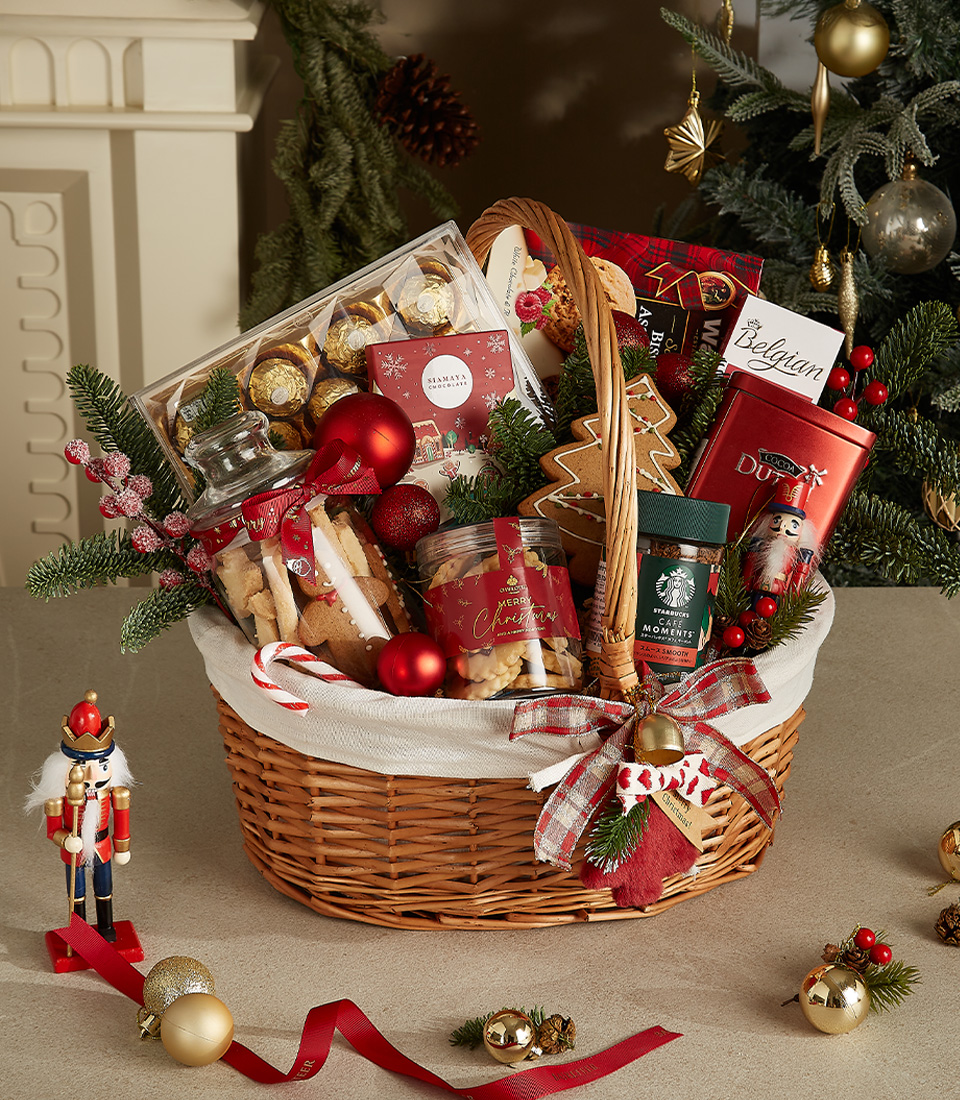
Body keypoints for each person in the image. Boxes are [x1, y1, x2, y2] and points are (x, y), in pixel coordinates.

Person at [26, 690, 134, 942]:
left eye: (101, 766)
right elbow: (52, 830)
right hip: (73, 850)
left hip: (102, 845)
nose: (93, 776)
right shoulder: (58, 800)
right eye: (83, 767)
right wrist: (66, 840)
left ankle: (106, 927)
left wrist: (122, 847)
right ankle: (80, 934)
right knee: (77, 893)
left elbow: (122, 821)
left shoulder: (116, 793)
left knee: (104, 889)